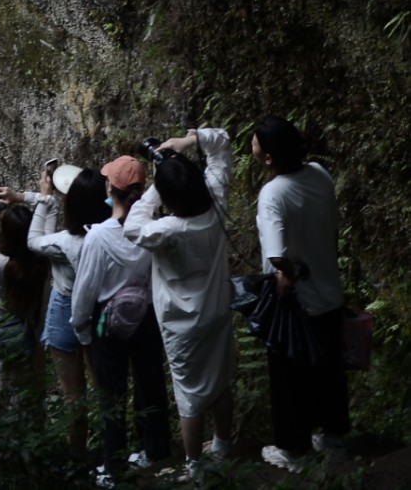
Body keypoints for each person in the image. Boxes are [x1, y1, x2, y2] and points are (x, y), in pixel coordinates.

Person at [123, 128, 235, 478]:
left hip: (182, 323)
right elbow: (221, 144)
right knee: (220, 379)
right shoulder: (216, 199)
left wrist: (158, 185)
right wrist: (186, 145)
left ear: (170, 197)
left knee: (190, 394)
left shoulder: (169, 230)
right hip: (217, 310)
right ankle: (222, 445)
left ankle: (194, 468)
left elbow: (132, 225)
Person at [251, 115, 349, 471]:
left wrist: (285, 275)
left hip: (299, 303)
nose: (253, 143)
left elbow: (277, 254)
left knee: (290, 378)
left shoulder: (273, 193)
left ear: (269, 158)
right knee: (329, 372)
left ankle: (293, 450)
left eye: (256, 141)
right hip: (329, 291)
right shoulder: (319, 174)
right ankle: (334, 438)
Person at [0, 165, 110, 459]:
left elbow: (36, 240)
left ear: (72, 206)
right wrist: (26, 196)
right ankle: (113, 449)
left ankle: (76, 456)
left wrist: (43, 199)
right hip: (99, 308)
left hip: (65, 310)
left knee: (73, 393)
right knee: (103, 386)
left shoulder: (64, 243)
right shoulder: (109, 233)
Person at [70, 155, 171, 486]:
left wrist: (81, 325)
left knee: (111, 394)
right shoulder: (152, 227)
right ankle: (155, 452)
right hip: (145, 313)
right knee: (150, 383)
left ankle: (113, 466)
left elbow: (85, 289)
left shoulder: (99, 237)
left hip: (108, 321)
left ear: (110, 188)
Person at [0, 197, 50, 420]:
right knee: (31, 393)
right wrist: (29, 197)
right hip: (31, 337)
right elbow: (51, 208)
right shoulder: (43, 261)